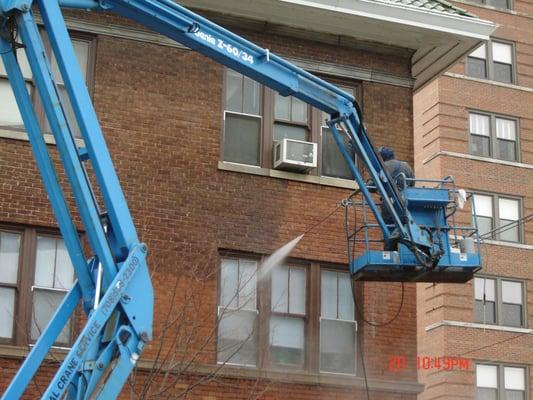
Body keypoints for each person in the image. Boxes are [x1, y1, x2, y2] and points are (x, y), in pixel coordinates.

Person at [376, 146, 415, 250]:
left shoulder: (384, 166)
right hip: (407, 203)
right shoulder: (406, 165)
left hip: (390, 204)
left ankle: (390, 251)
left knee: (389, 230)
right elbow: (412, 183)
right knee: (407, 228)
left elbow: (372, 185)